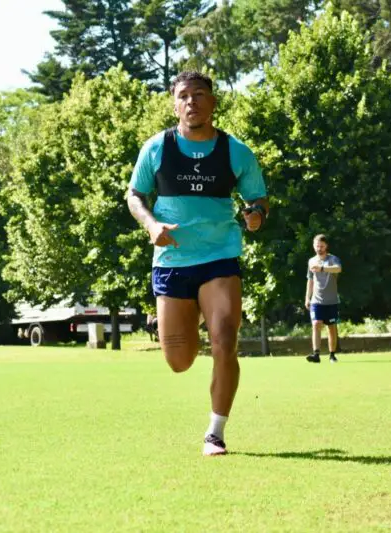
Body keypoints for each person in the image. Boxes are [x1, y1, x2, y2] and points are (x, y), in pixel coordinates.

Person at [126, 71, 269, 456]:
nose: (192, 102)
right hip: (172, 260)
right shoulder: (157, 148)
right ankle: (186, 318)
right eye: (184, 96)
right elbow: (135, 195)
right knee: (179, 361)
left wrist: (255, 214)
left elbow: (258, 198)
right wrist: (151, 224)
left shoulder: (235, 151)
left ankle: (215, 432)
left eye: (200, 95)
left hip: (219, 256)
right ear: (175, 104)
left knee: (225, 340)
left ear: (212, 102)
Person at [304, 234, 342, 363]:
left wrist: (322, 268)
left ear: (326, 246)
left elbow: (338, 269)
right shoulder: (311, 261)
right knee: (316, 324)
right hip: (316, 300)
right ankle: (316, 354)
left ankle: (332, 354)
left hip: (331, 300)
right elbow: (310, 280)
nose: (318, 248)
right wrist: (307, 298)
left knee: (331, 327)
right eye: (316, 245)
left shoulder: (333, 259)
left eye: (321, 246)